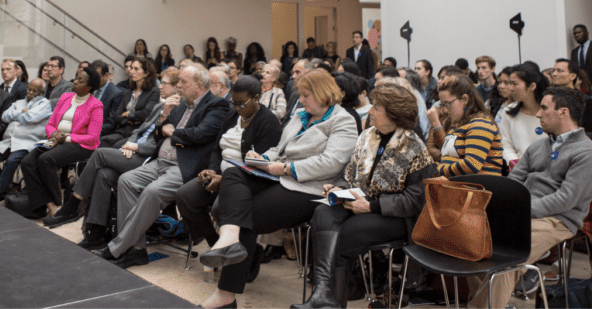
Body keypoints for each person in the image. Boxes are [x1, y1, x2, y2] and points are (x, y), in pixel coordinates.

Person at [198, 69, 358, 309]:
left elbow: (331, 163)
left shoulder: (343, 120)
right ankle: (229, 239)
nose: (301, 100)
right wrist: (261, 157)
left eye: (306, 95)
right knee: (232, 173)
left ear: (323, 93)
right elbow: (280, 149)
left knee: (239, 214)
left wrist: (284, 168)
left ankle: (225, 294)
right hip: (278, 177)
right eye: (300, 95)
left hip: (309, 189)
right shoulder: (302, 115)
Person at [295, 84, 436, 309]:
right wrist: (337, 187)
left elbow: (416, 202)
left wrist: (372, 206)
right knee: (323, 211)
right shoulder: (368, 136)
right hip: (361, 201)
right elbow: (351, 174)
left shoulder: (413, 147)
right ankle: (322, 293)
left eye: (376, 107)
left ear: (394, 114)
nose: (370, 111)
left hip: (397, 217)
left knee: (345, 236)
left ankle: (329, 302)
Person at [468, 87, 592, 309]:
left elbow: (564, 200)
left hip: (558, 220)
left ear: (563, 112)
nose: (538, 114)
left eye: (544, 108)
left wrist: (518, 212)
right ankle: (491, 303)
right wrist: (501, 208)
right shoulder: (539, 145)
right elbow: (514, 181)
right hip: (525, 214)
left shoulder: (588, 154)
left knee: (508, 261)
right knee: (471, 243)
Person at [94, 64, 229, 268]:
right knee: (126, 180)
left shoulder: (216, 105)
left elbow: (200, 134)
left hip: (184, 166)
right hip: (160, 161)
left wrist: (172, 132)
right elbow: (159, 134)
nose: (179, 86)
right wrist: (164, 117)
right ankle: (137, 250)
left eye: (183, 82)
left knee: (152, 192)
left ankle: (117, 247)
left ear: (199, 85)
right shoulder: (181, 103)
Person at [44, 73, 179, 235]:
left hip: (147, 158)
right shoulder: (160, 106)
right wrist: (131, 143)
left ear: (176, 87)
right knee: (103, 174)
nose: (160, 86)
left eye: (164, 83)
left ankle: (73, 206)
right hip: (133, 148)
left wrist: (136, 147)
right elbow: (139, 130)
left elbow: (161, 144)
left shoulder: (179, 110)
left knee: (99, 154)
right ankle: (96, 231)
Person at [176, 76, 283, 252]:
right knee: (184, 196)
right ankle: (216, 244)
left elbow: (261, 166)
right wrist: (212, 170)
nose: (238, 108)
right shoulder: (232, 114)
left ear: (257, 98)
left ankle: (247, 252)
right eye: (235, 102)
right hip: (221, 174)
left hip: (245, 182)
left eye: (242, 104)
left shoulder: (268, 122)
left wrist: (224, 179)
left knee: (220, 208)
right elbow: (217, 148)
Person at [6, 67, 103, 219]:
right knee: (27, 162)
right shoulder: (65, 97)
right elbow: (50, 124)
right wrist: (54, 135)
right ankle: (49, 204)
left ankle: (59, 205)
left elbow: (93, 137)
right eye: (76, 78)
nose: (75, 81)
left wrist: (67, 138)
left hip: (80, 144)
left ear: (89, 87)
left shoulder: (95, 105)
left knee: (46, 160)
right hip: (56, 140)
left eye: (80, 81)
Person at [0, 78, 52, 202]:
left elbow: (30, 118)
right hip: (9, 141)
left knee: (11, 161)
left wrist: (15, 115)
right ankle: (7, 188)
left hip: (27, 142)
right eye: (29, 89)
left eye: (34, 91)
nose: (30, 93)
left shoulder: (44, 104)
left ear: (41, 93)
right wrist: (22, 112)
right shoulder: (18, 103)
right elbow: (4, 116)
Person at [426, 75, 504, 176]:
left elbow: (471, 165)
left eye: (448, 104)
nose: (445, 110)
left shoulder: (481, 124)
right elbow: (446, 159)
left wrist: (436, 170)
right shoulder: (456, 125)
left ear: (465, 99)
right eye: (443, 105)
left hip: (479, 188)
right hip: (459, 186)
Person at [499, 64, 548, 167]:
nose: (511, 88)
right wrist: (514, 162)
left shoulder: (549, 112)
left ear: (532, 86)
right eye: (510, 83)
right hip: (519, 169)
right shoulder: (509, 111)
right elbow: (505, 145)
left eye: (514, 84)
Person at [109, 58, 161, 141]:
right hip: (122, 131)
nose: (131, 71)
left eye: (136, 69)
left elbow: (146, 114)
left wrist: (128, 115)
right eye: (132, 68)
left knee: (111, 148)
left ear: (146, 73)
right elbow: (117, 117)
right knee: (101, 142)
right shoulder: (128, 92)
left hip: (137, 133)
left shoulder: (154, 91)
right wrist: (127, 121)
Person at [89, 60, 124, 137]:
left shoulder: (116, 94)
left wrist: (90, 132)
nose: (94, 80)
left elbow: (111, 124)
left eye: (97, 77)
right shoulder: (89, 88)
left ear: (106, 75)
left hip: (99, 133)